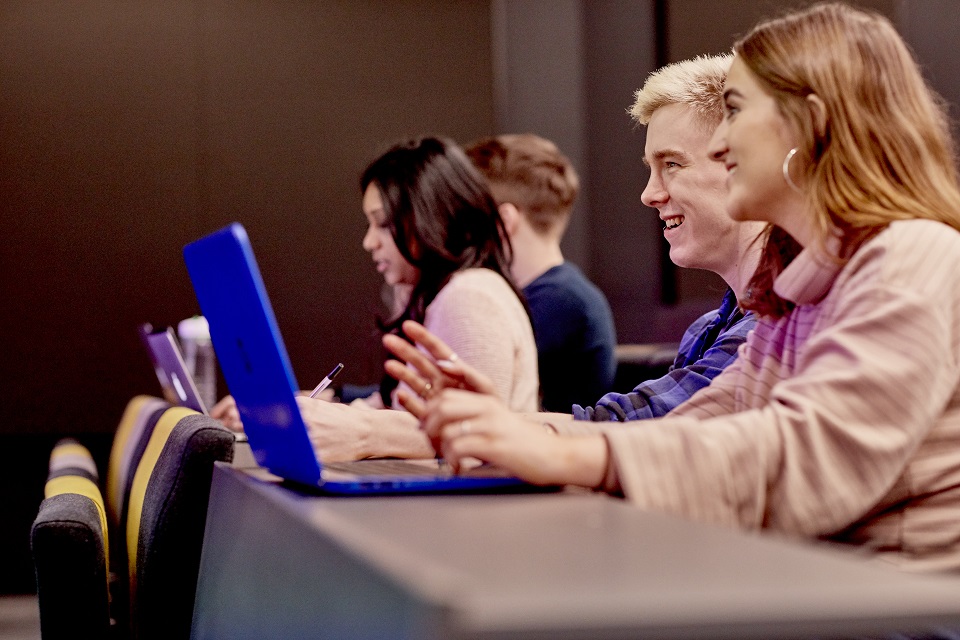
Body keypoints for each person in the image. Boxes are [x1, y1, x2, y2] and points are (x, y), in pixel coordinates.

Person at [389, 3, 960, 573]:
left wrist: (559, 450)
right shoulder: (798, 289)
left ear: (809, 125)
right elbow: (696, 427)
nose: (723, 144)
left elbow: (812, 461)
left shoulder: (912, 254)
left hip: (891, 614)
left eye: (734, 113)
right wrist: (515, 431)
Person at [386, 54, 764, 425]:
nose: (649, 194)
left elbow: (639, 431)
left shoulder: (776, 330)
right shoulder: (707, 329)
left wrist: (483, 428)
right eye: (652, 168)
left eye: (672, 164)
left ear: (744, 165)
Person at [214, 136, 539, 461]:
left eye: (382, 223)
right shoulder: (438, 295)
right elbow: (400, 410)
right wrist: (304, 410)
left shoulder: (470, 298)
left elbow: (473, 444)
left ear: (433, 216)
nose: (369, 242)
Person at [464, 133, 617, 412]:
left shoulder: (561, 301)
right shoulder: (556, 294)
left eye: (465, 214)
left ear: (503, 222)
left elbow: (463, 394)